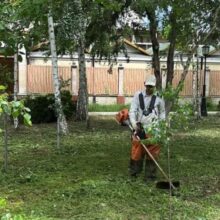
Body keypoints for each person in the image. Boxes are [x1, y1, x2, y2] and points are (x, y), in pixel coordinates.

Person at [129, 75, 165, 181]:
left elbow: (162, 113)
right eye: (148, 86)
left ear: (154, 86)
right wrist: (134, 123)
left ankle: (150, 176)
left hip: (154, 129)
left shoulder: (159, 97)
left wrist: (162, 127)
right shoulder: (138, 96)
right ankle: (134, 173)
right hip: (140, 128)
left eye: (151, 86)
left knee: (152, 153)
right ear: (144, 84)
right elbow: (132, 111)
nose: (149, 88)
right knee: (136, 151)